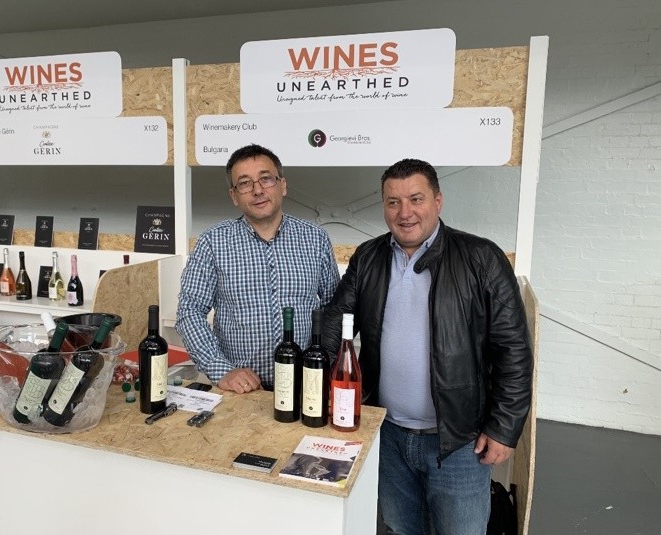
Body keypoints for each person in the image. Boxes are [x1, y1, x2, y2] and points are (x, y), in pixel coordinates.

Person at [321, 158, 533, 535]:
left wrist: (504, 427)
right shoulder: (368, 257)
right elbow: (335, 325)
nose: (405, 213)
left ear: (438, 201)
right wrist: (320, 388)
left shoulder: (482, 258)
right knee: (401, 528)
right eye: (393, 202)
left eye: (415, 199)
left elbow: (513, 350)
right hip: (387, 434)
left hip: (458, 442)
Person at [176, 144, 340, 394]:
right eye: (245, 183)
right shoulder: (213, 242)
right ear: (234, 196)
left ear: (282, 185)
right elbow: (189, 311)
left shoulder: (315, 239)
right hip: (240, 392)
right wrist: (221, 370)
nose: (258, 190)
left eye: (266, 179)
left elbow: (333, 310)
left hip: (304, 387)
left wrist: (322, 366)